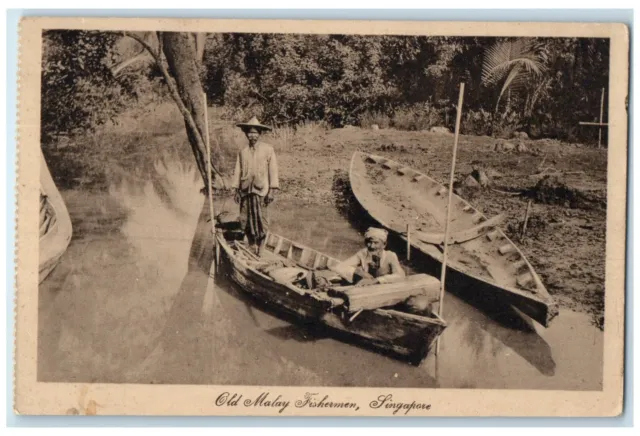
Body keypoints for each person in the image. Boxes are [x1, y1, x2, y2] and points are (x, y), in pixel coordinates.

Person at [232, 116, 279, 254]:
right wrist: (235, 189)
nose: (252, 135)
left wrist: (272, 190)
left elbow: (273, 170)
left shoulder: (268, 149)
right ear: (246, 134)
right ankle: (252, 244)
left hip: (261, 190)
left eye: (255, 132)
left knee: (261, 219)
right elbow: (237, 171)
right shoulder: (243, 152)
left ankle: (262, 246)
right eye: (250, 132)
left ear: (260, 134)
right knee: (245, 218)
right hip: (246, 190)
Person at [331, 227, 406, 287]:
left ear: (384, 244)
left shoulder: (390, 255)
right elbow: (340, 267)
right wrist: (360, 272)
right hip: (367, 288)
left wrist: (376, 280)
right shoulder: (363, 253)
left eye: (376, 243)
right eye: (369, 242)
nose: (372, 246)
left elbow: (400, 275)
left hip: (385, 288)